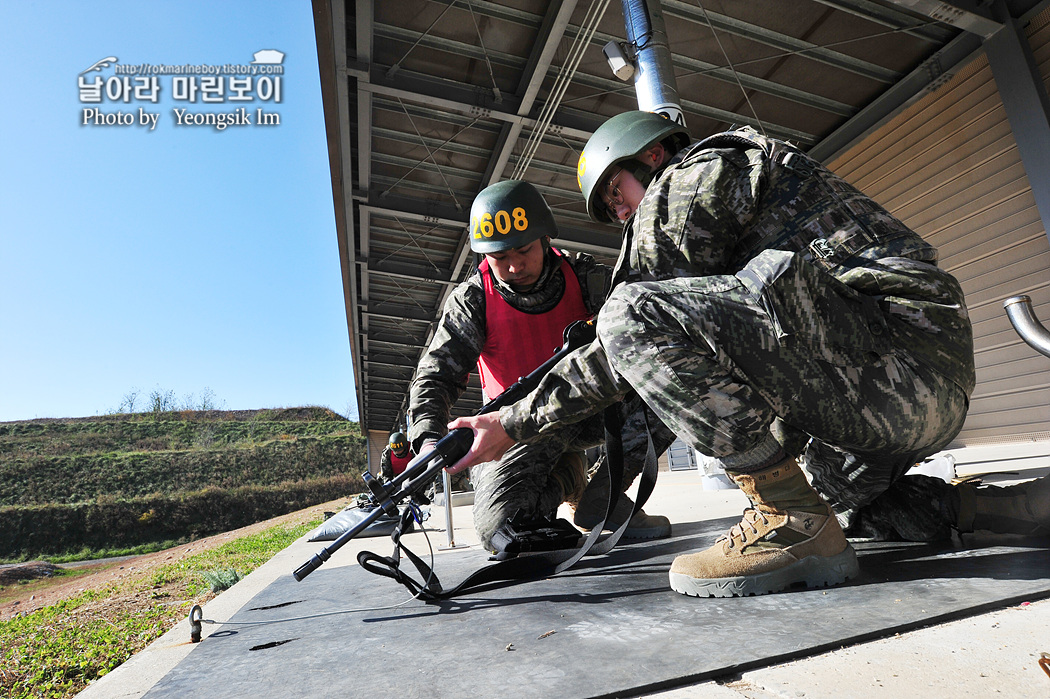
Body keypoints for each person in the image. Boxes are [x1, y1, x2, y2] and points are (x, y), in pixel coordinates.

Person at [448, 111, 1050, 598]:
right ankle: (1007, 508)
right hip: (907, 386)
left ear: (652, 157)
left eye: (616, 192)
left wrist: (511, 421)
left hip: (891, 366)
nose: (622, 213)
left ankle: (786, 520)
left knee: (629, 313)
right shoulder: (753, 185)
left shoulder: (693, 178)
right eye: (611, 211)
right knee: (841, 508)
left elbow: (623, 340)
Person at [407, 179, 675, 551]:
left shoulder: (587, 280)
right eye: (499, 258)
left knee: (672, 381)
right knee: (500, 530)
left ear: (546, 239)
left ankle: (603, 497)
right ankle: (566, 476)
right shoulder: (473, 301)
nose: (515, 266)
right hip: (514, 430)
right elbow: (437, 375)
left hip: (585, 411)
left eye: (524, 250)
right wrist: (427, 440)